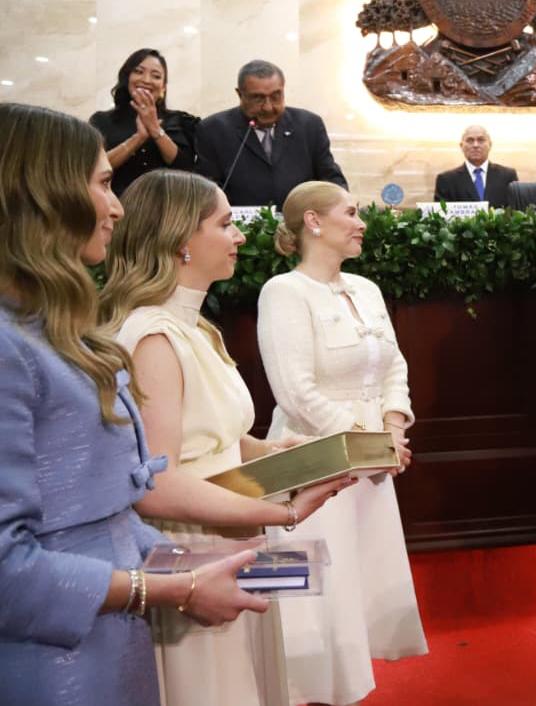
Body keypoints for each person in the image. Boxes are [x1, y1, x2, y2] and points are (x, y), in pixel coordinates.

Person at [0, 103, 315, 706]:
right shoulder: (17, 347)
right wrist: (176, 584)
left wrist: (201, 561)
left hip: (118, 620)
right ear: (42, 195)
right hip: (56, 657)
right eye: (102, 184)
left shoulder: (55, 331)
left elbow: (117, 507)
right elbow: (13, 565)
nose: (116, 206)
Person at [99, 170, 354, 706]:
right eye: (224, 223)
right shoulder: (153, 336)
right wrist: (283, 512)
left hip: (228, 535)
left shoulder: (196, 328)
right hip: (190, 550)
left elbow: (217, 437)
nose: (239, 235)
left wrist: (281, 454)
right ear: (180, 240)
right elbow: (159, 483)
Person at [256, 181, 427, 705]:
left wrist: (392, 429)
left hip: (372, 463)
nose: (361, 223)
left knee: (355, 593)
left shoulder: (366, 288)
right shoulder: (283, 292)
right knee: (312, 602)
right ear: (313, 222)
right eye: (350, 213)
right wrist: (369, 446)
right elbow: (296, 392)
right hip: (311, 462)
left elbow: (394, 365)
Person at [196, 59, 347, 207]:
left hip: (300, 220)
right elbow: (206, 192)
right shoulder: (213, 130)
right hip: (238, 221)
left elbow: (330, 178)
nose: (268, 107)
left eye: (276, 96)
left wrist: (343, 208)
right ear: (240, 94)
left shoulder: (309, 125)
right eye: (258, 98)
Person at [89, 48, 199, 196]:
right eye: (138, 72)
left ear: (163, 86)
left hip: (167, 204)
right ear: (127, 78)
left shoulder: (181, 121)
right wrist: (138, 138)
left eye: (156, 76)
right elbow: (93, 167)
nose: (146, 80)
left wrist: (155, 130)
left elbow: (186, 170)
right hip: (116, 203)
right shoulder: (102, 120)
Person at [433, 125, 519, 207]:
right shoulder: (446, 180)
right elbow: (441, 213)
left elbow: (516, 209)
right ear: (461, 146)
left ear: (490, 145)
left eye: (481, 140)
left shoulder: (508, 176)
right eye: (470, 140)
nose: (475, 145)